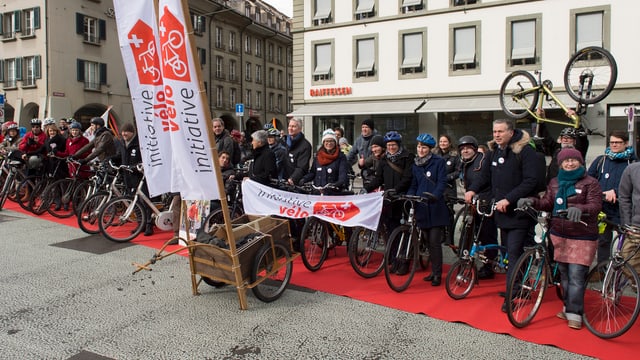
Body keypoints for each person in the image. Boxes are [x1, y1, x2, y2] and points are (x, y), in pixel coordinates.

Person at [518, 148, 601, 330]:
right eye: (566, 161)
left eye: (573, 160)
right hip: (559, 234)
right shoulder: (555, 182)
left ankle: (575, 313)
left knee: (576, 276)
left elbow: (595, 205)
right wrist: (532, 201)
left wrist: (581, 209)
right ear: (560, 163)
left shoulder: (590, 182)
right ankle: (568, 307)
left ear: (580, 162)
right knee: (563, 275)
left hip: (583, 236)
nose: (570, 163)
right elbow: (548, 202)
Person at [487, 119, 540, 312]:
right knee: (509, 254)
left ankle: (512, 296)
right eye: (494, 131)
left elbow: (531, 181)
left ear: (511, 132)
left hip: (519, 212)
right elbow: (490, 179)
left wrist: (509, 199)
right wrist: (475, 192)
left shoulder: (525, 152)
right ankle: (516, 286)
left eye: (500, 131)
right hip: (502, 214)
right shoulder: (496, 151)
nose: (497, 135)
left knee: (515, 253)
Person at [406, 133, 448, 286]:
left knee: (434, 241)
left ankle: (437, 274)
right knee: (427, 242)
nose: (421, 150)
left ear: (430, 149)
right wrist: (410, 195)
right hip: (421, 207)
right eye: (419, 146)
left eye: (424, 147)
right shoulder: (415, 165)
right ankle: (432, 270)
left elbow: (442, 182)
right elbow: (414, 184)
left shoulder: (439, 162)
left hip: (435, 207)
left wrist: (435, 195)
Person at [587, 130, 635, 264]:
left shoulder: (633, 163)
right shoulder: (601, 161)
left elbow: (635, 186)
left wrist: (615, 192)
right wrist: (602, 193)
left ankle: (625, 273)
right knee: (603, 241)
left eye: (618, 142)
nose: (614, 145)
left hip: (624, 210)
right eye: (612, 142)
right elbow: (589, 182)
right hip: (604, 210)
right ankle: (602, 270)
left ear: (626, 143)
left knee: (626, 243)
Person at [457, 135, 498, 279]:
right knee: (472, 235)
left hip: (485, 202)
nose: (466, 151)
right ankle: (467, 262)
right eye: (463, 149)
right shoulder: (466, 162)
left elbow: (483, 178)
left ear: (474, 149)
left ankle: (489, 265)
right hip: (473, 202)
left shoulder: (482, 160)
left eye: (468, 148)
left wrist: (473, 191)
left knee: (487, 234)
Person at [373, 131, 414, 235]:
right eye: (388, 145)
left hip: (403, 196)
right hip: (389, 197)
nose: (391, 147)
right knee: (390, 224)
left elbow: (407, 177)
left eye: (393, 145)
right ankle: (392, 249)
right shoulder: (384, 159)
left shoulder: (408, 157)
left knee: (403, 225)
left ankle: (407, 248)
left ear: (398, 145)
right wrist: (367, 188)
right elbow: (378, 178)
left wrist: (396, 189)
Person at [300, 129, 349, 194]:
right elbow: (313, 172)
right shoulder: (318, 156)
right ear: (323, 142)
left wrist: (338, 184)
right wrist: (304, 179)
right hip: (318, 192)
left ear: (335, 142)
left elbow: (343, 174)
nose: (329, 143)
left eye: (331, 141)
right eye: (327, 141)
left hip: (334, 193)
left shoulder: (341, 157)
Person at [432, 134, 460, 245]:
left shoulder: (455, 155)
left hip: (448, 188)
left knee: (448, 213)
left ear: (449, 143)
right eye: (441, 141)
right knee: (438, 212)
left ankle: (450, 237)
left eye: (445, 141)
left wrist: (444, 178)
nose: (443, 144)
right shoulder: (434, 154)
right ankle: (441, 235)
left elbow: (458, 172)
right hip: (435, 187)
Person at [284, 118, 312, 186]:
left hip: (295, 182)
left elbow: (302, 167)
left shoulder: (305, 145)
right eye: (289, 126)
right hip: (283, 179)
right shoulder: (284, 141)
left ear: (300, 129)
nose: (290, 128)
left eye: (293, 126)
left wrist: (293, 178)